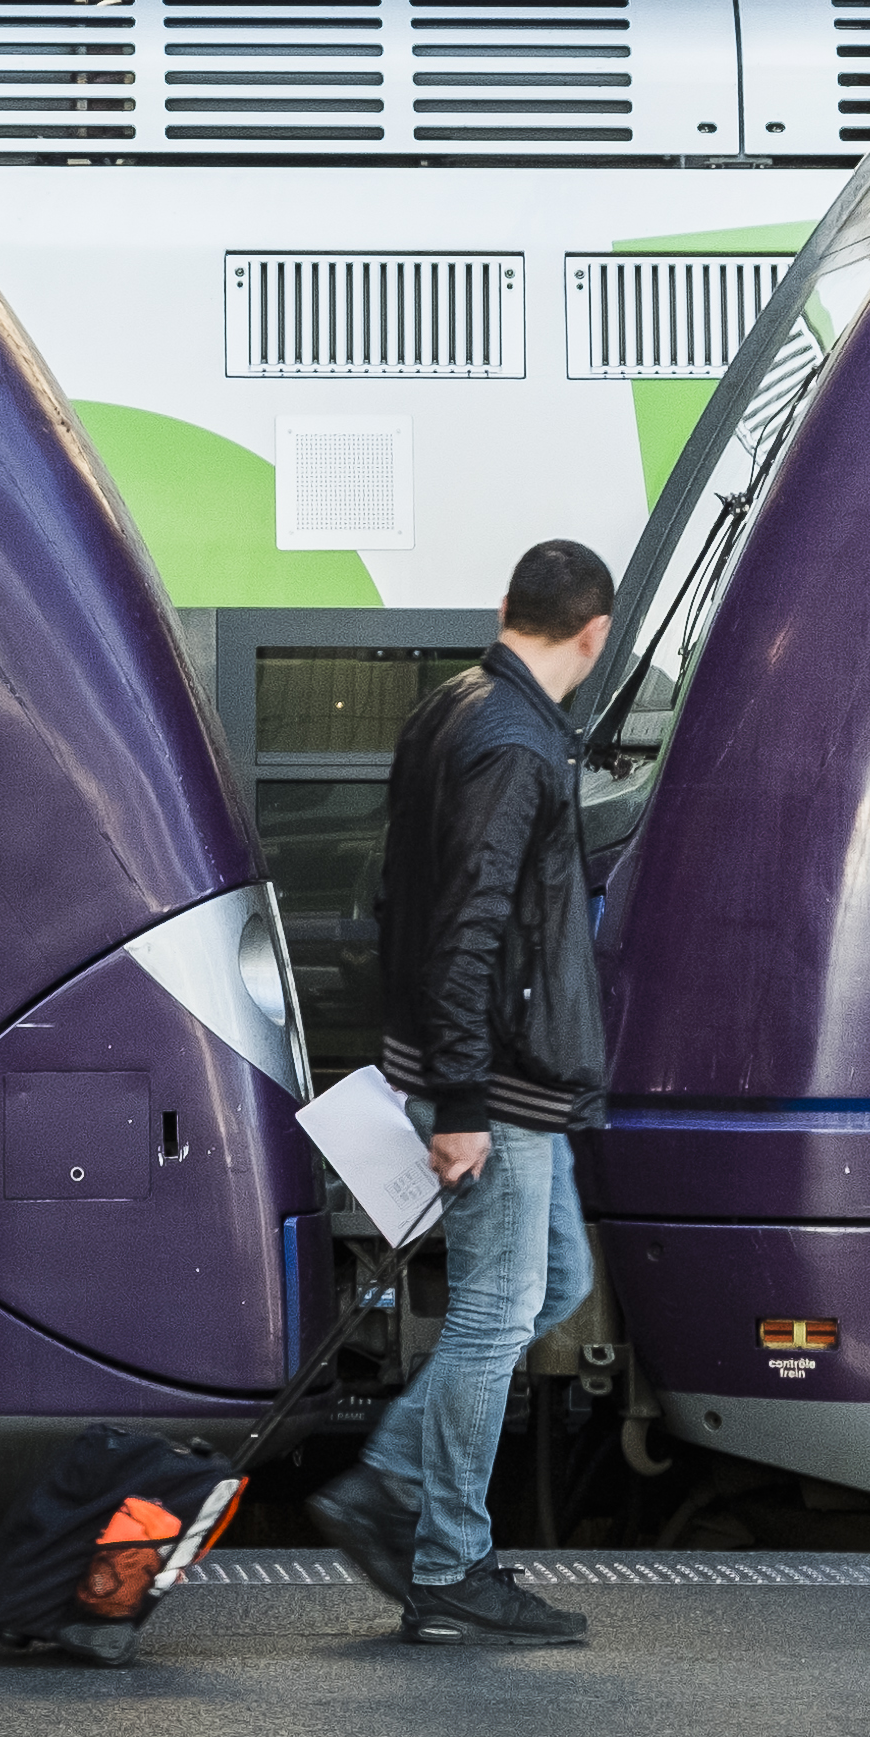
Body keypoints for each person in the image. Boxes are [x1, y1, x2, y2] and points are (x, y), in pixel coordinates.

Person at [310, 540, 613, 1647]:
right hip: (498, 1078)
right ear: (595, 631)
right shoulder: (513, 743)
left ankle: (389, 1479)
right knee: (493, 1311)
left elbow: (396, 889)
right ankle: (446, 1565)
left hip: (505, 1072)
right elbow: (466, 927)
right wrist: (461, 1098)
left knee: (558, 1277)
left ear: (506, 609)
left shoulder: (451, 706)